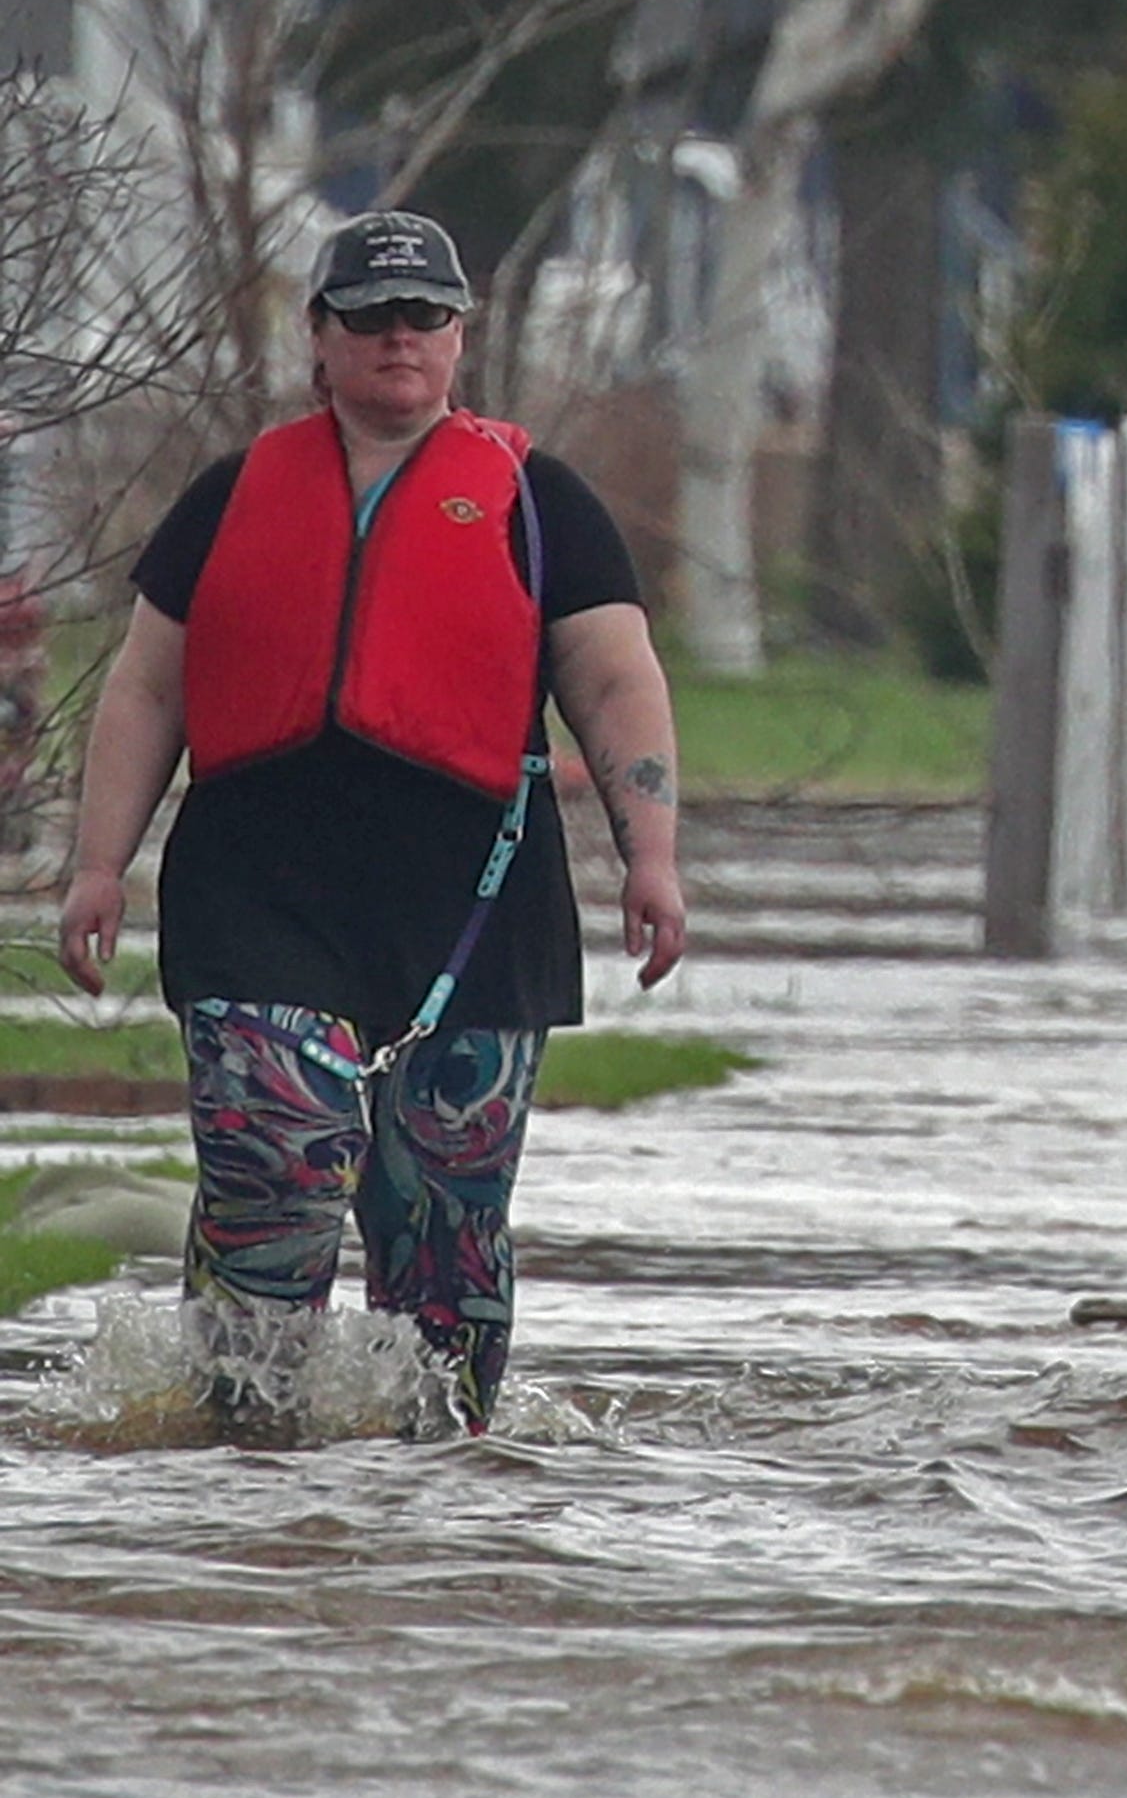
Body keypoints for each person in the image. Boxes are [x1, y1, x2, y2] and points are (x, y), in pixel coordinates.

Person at [56, 210, 687, 1436]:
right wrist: (97, 866)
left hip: (475, 911)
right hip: (260, 893)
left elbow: (616, 680)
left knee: (443, 1223)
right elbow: (145, 686)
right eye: (371, 317)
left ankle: (433, 1489)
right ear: (320, 337)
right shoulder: (231, 497)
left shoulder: (537, 498)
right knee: (276, 1162)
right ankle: (243, 1452)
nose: (400, 339)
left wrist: (650, 857)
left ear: (461, 336)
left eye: (425, 317)